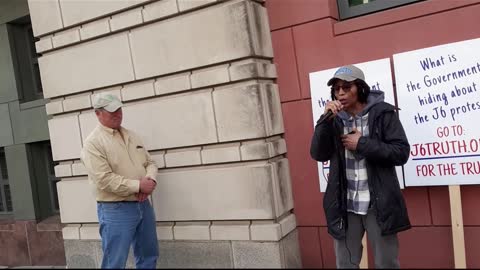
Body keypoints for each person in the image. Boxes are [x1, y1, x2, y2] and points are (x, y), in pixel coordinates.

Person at [310, 65, 411, 268]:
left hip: (378, 204)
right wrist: (324, 120)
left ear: (361, 88)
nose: (340, 92)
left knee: (386, 263)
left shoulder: (383, 114)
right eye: (337, 88)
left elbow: (401, 152)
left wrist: (362, 144)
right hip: (345, 205)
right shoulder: (333, 120)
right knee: (345, 263)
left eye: (346, 87)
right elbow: (318, 154)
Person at [81, 93, 159, 269]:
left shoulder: (133, 136)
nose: (118, 114)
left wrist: (150, 180)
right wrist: (138, 186)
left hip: (143, 204)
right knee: (114, 262)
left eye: (119, 109)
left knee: (149, 255)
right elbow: (104, 179)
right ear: (97, 113)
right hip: (115, 209)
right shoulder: (93, 143)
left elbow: (150, 163)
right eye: (111, 111)